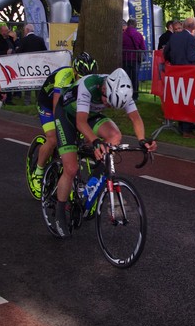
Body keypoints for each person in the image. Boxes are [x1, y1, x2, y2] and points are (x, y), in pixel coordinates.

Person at [49, 68, 157, 237]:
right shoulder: (89, 85)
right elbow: (80, 122)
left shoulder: (122, 89)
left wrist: (142, 140)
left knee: (114, 136)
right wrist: (95, 141)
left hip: (91, 114)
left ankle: (94, 179)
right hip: (67, 115)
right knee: (71, 168)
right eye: (108, 101)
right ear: (104, 89)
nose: (108, 106)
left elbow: (135, 118)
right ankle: (60, 212)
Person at [29, 51, 98, 197]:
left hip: (69, 104)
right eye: (81, 77)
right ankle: (38, 172)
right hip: (48, 104)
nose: (85, 81)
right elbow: (57, 107)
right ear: (74, 72)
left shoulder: (93, 82)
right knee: (53, 138)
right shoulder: (64, 75)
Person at [122, 18, 146, 100]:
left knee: (126, 77)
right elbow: (143, 47)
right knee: (135, 78)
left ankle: (126, 95)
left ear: (128, 24)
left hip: (125, 59)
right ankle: (135, 96)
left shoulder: (123, 35)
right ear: (135, 25)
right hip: (135, 59)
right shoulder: (138, 35)